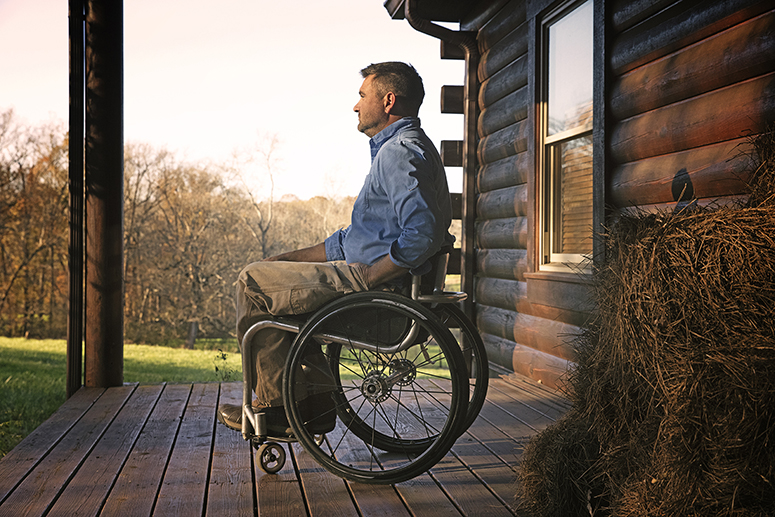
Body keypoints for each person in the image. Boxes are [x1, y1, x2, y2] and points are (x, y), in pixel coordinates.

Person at [216, 61, 454, 436]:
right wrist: (284, 260)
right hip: (369, 279)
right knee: (267, 273)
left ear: (388, 100)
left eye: (363, 96)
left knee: (252, 283)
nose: (356, 106)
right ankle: (315, 403)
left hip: (376, 292)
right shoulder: (405, 149)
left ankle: (277, 409)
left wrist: (369, 276)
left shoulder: (399, 153)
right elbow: (349, 240)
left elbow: (422, 233)